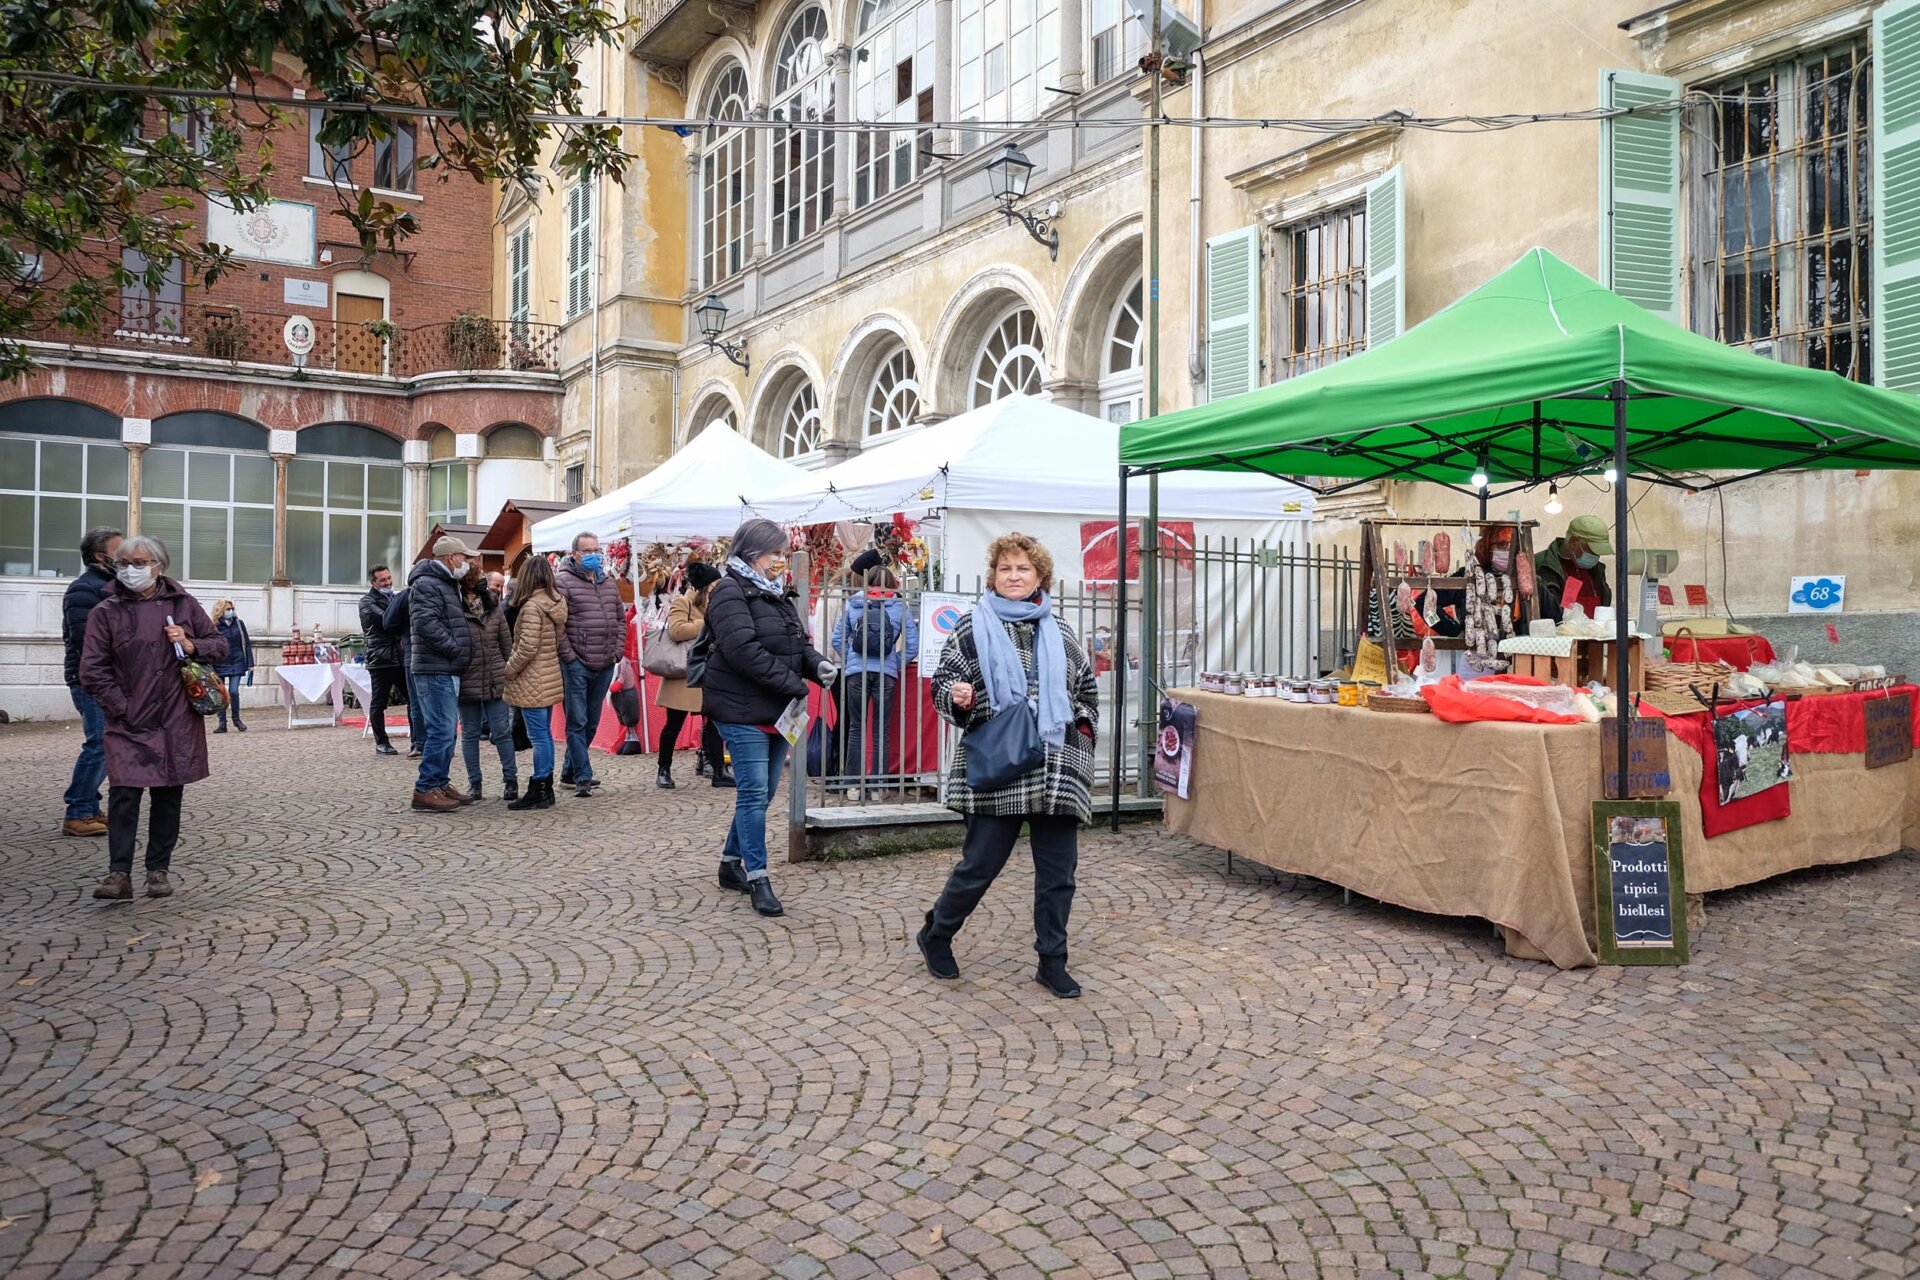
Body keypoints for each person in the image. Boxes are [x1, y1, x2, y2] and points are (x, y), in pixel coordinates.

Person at [917, 532, 1099, 999]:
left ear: (1040, 576)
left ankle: (1052, 960)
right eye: (1005, 569)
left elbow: (1086, 691)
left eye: (1023, 569)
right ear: (993, 576)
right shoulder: (970, 626)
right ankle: (937, 932)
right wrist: (958, 697)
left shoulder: (1060, 630)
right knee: (979, 865)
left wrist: (1080, 726)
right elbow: (946, 682)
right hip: (1000, 763)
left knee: (1059, 875)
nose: (1013, 576)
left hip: (1057, 767)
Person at [78, 535, 227, 900]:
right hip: (128, 720)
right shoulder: (106, 611)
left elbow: (220, 646)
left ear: (159, 566)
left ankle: (157, 870)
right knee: (123, 795)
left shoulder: (183, 604)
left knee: (167, 795)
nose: (130, 570)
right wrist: (122, 707)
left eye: (140, 563)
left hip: (176, 718)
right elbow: (92, 670)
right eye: (124, 563)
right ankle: (119, 874)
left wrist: (191, 644)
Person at [701, 518, 836, 917]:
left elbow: (798, 644)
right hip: (742, 709)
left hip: (779, 709)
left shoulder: (776, 592)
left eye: (782, 552)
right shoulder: (729, 591)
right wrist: (794, 684)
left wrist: (818, 665)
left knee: (761, 794)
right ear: (751, 553)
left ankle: (729, 863)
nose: (781, 559)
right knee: (754, 794)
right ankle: (758, 876)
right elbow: (743, 651)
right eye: (775, 553)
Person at [829, 562, 920, 800]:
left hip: (856, 673)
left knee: (856, 728)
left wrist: (851, 660)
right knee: (882, 729)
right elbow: (913, 644)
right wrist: (895, 663)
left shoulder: (854, 603)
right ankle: (879, 787)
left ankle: (852, 786)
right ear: (892, 583)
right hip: (886, 674)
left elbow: (838, 639)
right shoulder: (899, 606)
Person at [59, 525, 122, 837]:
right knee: (98, 743)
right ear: (101, 556)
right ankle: (78, 811)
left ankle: (90, 807)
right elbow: (87, 640)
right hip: (90, 680)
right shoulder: (84, 590)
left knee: (107, 743)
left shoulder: (110, 586)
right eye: (119, 552)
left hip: (108, 679)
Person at [407, 536, 476, 812]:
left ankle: (438, 782)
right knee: (441, 731)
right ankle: (425, 788)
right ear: (451, 558)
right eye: (464, 557)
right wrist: (455, 649)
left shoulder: (446, 583)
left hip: (445, 666)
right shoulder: (426, 584)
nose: (467, 563)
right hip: (435, 667)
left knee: (448, 732)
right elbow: (426, 624)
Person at [555, 532, 625, 798]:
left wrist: (617, 650)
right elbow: (558, 625)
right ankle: (583, 776)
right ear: (574, 554)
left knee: (592, 722)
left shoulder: (607, 582)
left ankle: (568, 773)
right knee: (577, 720)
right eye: (587, 551)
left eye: (597, 549)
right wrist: (569, 656)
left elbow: (620, 619)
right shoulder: (563, 581)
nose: (594, 555)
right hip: (577, 664)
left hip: (605, 662)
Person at [655, 561, 729, 790]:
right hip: (683, 676)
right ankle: (664, 769)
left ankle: (718, 770)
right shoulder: (683, 602)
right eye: (715, 583)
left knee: (714, 722)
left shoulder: (718, 604)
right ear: (705, 586)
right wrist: (706, 623)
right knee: (674, 724)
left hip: (709, 672)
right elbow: (676, 630)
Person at [505, 553, 568, 811]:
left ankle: (539, 786)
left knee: (539, 736)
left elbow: (527, 647)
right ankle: (546, 787)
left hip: (533, 677)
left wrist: (509, 669)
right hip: (549, 673)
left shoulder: (532, 607)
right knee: (545, 735)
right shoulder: (556, 602)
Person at [457, 568, 518, 802]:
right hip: (467, 678)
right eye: (476, 580)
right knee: (470, 733)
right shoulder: (455, 608)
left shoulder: (493, 607)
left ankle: (510, 780)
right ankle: (475, 783)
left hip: (495, 677)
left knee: (502, 731)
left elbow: (506, 644)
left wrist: (507, 672)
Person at [359, 565, 408, 755]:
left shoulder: (395, 597)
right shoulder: (367, 602)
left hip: (399, 655)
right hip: (380, 658)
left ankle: (418, 740)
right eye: (383, 580)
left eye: (389, 578)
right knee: (379, 702)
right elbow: (387, 620)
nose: (388, 582)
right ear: (374, 583)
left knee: (413, 699)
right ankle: (381, 741)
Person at [1534, 513, 1614, 624]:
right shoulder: (1540, 565)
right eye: (1592, 550)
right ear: (1573, 542)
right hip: (1559, 638)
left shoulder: (1597, 570)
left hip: (1594, 637)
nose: (1596, 555)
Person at [382, 583, 424, 758]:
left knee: (416, 703)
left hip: (412, 652)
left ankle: (419, 744)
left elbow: (388, 622)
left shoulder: (405, 595)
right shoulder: (443, 589)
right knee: (438, 703)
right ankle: (443, 743)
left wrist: (401, 634)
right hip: (438, 655)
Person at [208, 598, 255, 733]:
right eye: (228, 609)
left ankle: (236, 719)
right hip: (220, 663)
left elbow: (246, 643)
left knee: (233, 691)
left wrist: (250, 663)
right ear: (220, 611)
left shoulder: (239, 624)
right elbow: (211, 646)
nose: (231, 612)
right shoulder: (214, 626)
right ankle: (222, 722)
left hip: (237, 661)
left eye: (232, 609)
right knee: (221, 694)